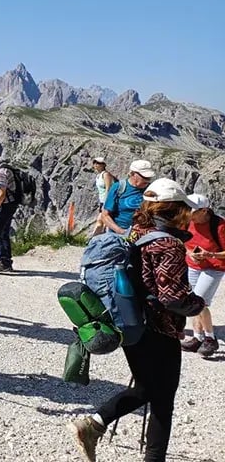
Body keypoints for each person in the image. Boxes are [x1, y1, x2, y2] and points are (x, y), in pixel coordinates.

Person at [67, 178, 205, 462]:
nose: (188, 215)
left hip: (129, 320)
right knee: (163, 400)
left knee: (145, 387)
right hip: (160, 329)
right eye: (185, 210)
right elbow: (171, 297)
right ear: (175, 210)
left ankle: (94, 424)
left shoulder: (136, 231)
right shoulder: (169, 245)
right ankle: (137, 450)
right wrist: (199, 304)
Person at [180, 194, 224, 358]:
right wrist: (189, 252)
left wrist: (210, 254)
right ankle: (197, 338)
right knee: (193, 301)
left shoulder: (219, 225)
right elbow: (181, 240)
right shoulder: (186, 221)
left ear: (205, 211)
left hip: (214, 267)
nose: (189, 214)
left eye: (193, 211)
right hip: (193, 265)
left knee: (199, 301)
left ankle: (210, 339)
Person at [99, 160, 155, 235]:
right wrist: (121, 231)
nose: (147, 180)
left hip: (143, 234)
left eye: (149, 177)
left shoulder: (151, 189)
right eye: (144, 176)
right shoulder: (119, 187)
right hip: (119, 234)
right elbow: (105, 215)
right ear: (133, 174)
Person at [90, 157, 115, 237]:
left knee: (100, 220)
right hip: (102, 201)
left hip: (107, 201)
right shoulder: (98, 176)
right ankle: (101, 239)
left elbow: (108, 189)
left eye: (98, 163)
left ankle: (92, 239)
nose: (96, 165)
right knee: (104, 222)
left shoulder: (106, 174)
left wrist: (106, 203)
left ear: (103, 165)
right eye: (95, 163)